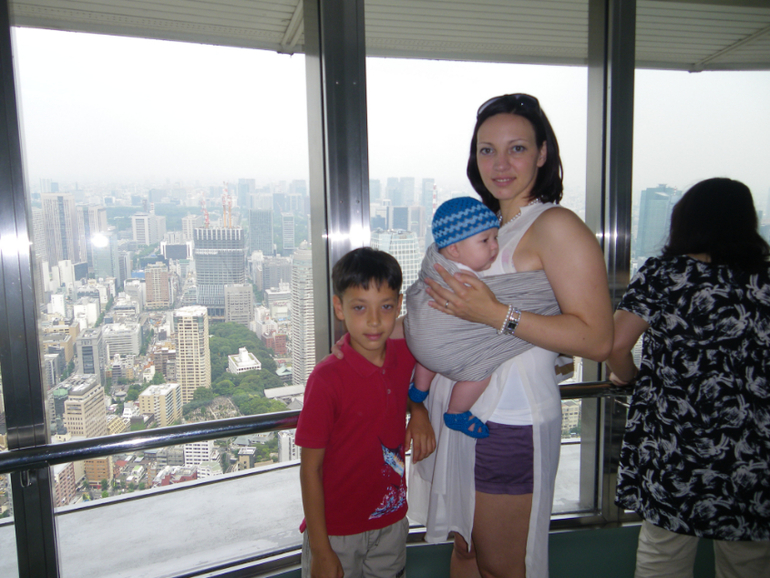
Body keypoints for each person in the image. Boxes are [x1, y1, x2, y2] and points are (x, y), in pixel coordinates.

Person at [408, 93, 613, 578]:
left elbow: (597, 339)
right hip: (461, 412)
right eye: (487, 150)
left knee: (501, 567)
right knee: (465, 550)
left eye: (516, 148)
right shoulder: (486, 225)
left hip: (509, 420)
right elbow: (444, 312)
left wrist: (496, 313)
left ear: (542, 154)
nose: (499, 164)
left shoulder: (555, 226)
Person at [606, 177, 770, 578]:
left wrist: (628, 377)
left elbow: (615, 344)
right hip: (753, 447)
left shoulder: (665, 275)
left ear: (686, 219)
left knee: (663, 556)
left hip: (675, 444)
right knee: (748, 560)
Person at [296, 247, 435, 578]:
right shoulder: (327, 379)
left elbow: (412, 381)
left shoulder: (406, 353)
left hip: (391, 521)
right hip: (335, 530)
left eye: (385, 307)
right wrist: (321, 550)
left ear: (398, 306)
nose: (374, 320)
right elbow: (310, 469)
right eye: (360, 307)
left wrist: (418, 410)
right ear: (339, 308)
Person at [407, 196, 501, 439]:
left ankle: (420, 387)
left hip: (422, 348)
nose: (494, 247)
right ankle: (457, 412)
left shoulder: (434, 267)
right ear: (454, 250)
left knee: (430, 347)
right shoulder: (465, 278)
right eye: (485, 240)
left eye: (496, 238)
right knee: (482, 371)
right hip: (443, 349)